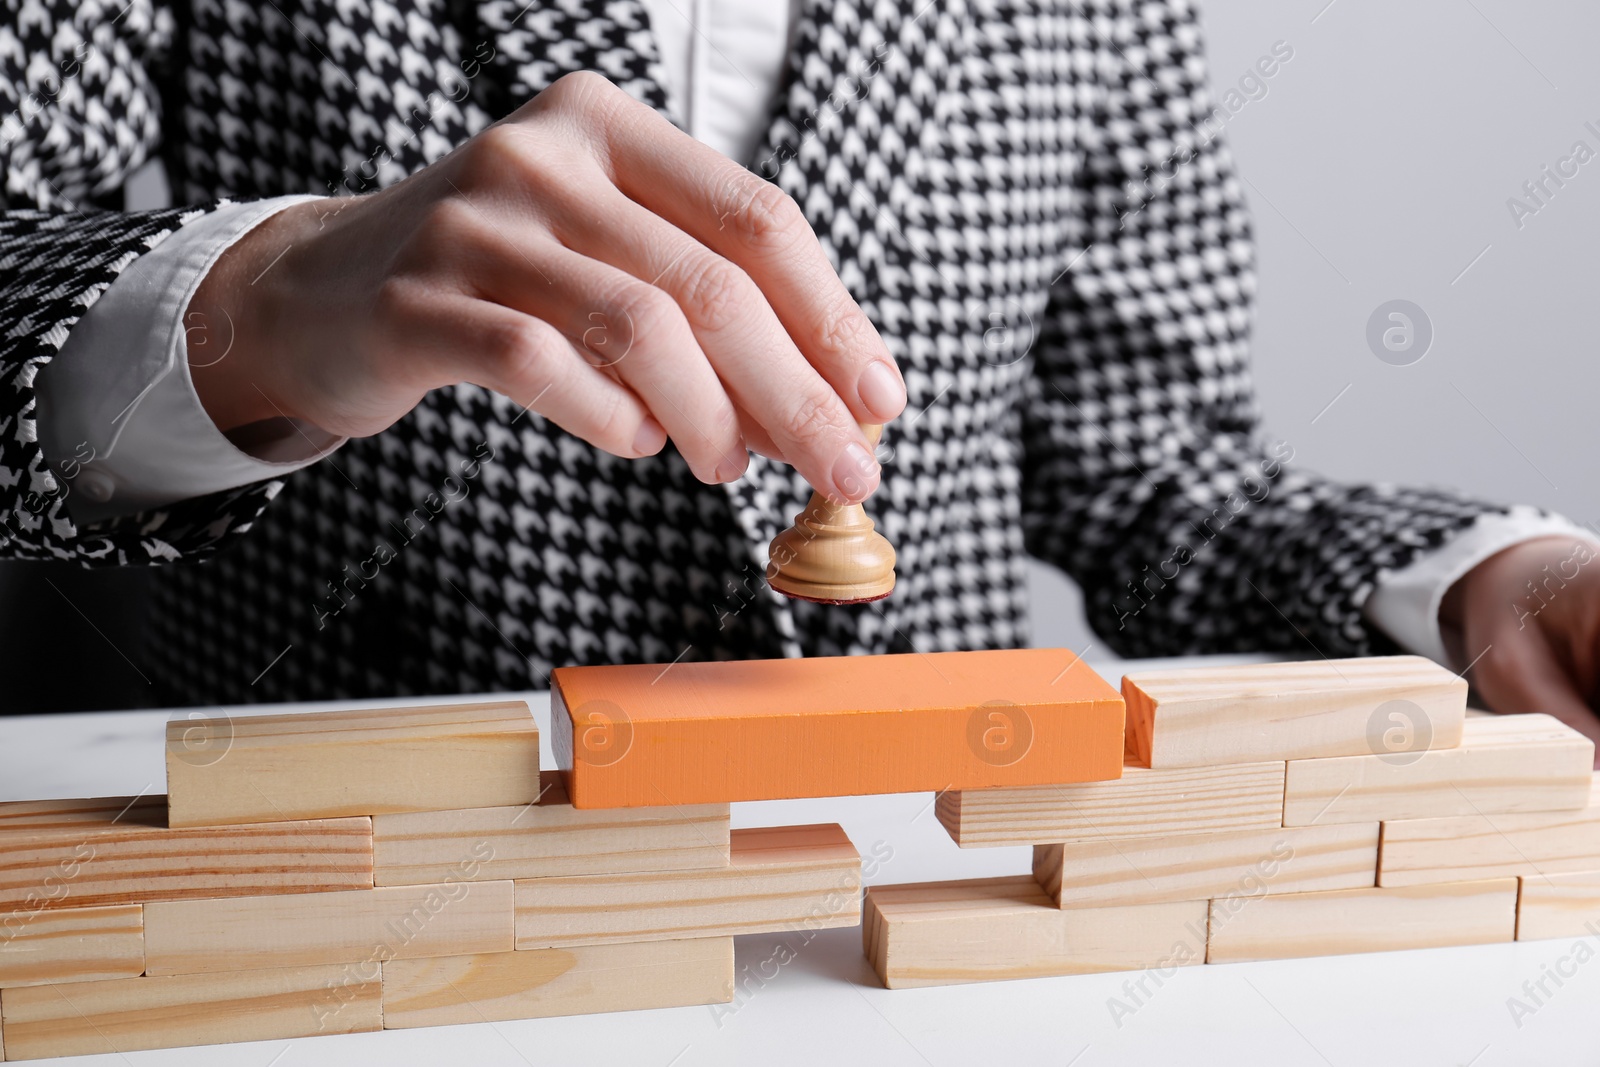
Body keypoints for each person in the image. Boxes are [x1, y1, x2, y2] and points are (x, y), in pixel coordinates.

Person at [3, 0, 1597, 745]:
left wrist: (1483, 580)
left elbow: (1153, 467)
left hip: (919, 902)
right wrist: (256, 309)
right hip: (355, 928)